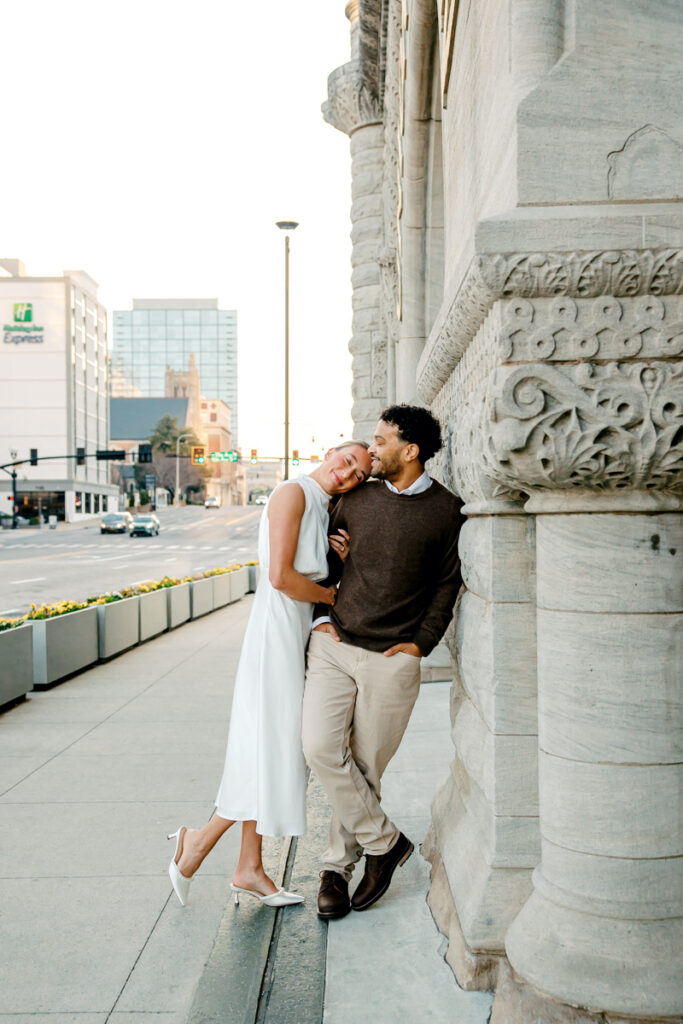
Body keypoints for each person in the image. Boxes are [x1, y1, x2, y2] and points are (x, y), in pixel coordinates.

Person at [167, 440, 372, 908]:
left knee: (271, 752)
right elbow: (280, 577)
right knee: (268, 750)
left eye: (359, 474)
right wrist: (332, 598)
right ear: (329, 451)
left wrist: (334, 565)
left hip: (294, 634)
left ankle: (247, 868)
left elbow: (311, 577)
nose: (348, 474)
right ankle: (197, 845)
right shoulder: (292, 493)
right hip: (274, 636)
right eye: (347, 461)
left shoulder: (323, 507)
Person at [302, 404, 465, 919]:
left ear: (410, 451)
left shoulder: (447, 510)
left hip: (392, 656)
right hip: (336, 643)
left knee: (365, 767)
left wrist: (423, 642)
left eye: (381, 440)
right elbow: (313, 554)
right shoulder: (357, 497)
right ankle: (386, 844)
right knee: (321, 749)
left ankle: (336, 869)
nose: (371, 449)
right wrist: (318, 612)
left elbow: (447, 583)